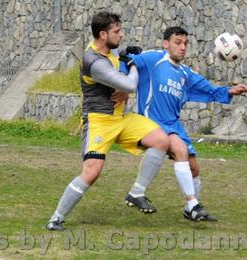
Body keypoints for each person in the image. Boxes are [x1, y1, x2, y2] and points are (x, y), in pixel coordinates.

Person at [45, 11, 171, 231]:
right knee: (92, 172)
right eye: (116, 31)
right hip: (99, 121)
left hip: (121, 118)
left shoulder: (109, 52)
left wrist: (123, 55)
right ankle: (56, 218)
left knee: (161, 140)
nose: (121, 34)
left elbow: (118, 76)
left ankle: (136, 193)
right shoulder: (92, 60)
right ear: (103, 34)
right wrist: (132, 64)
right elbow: (129, 85)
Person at [121, 26, 247, 221]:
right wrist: (119, 80)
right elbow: (127, 62)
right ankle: (192, 204)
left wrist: (229, 91)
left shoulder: (185, 73)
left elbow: (207, 88)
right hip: (153, 123)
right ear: (166, 44)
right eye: (177, 43)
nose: (182, 47)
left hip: (174, 125)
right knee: (180, 150)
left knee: (193, 167)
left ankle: (191, 207)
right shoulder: (154, 59)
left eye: (185, 44)